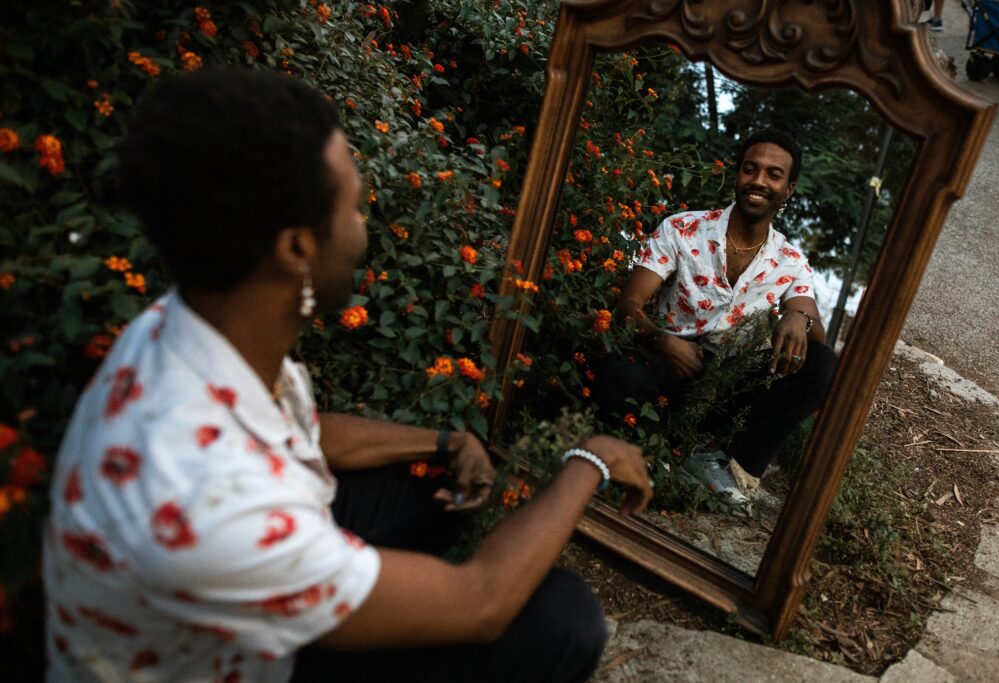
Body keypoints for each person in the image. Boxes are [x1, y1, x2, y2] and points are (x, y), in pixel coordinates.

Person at [42, 66, 652, 682]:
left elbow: (296, 431)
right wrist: (591, 460)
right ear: (296, 248)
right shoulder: (205, 499)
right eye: (354, 207)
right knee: (560, 619)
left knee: (436, 484)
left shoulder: (189, 324)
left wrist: (449, 442)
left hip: (231, 598)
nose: (365, 228)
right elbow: (482, 603)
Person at [593, 129, 836, 508]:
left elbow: (814, 329)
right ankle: (657, 459)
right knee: (618, 372)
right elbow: (628, 307)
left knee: (821, 364)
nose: (758, 181)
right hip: (667, 370)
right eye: (750, 169)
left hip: (728, 387)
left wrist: (798, 317)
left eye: (773, 174)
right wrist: (661, 341)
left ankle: (727, 464)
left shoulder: (790, 261)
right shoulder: (682, 228)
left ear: (788, 189)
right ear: (737, 176)